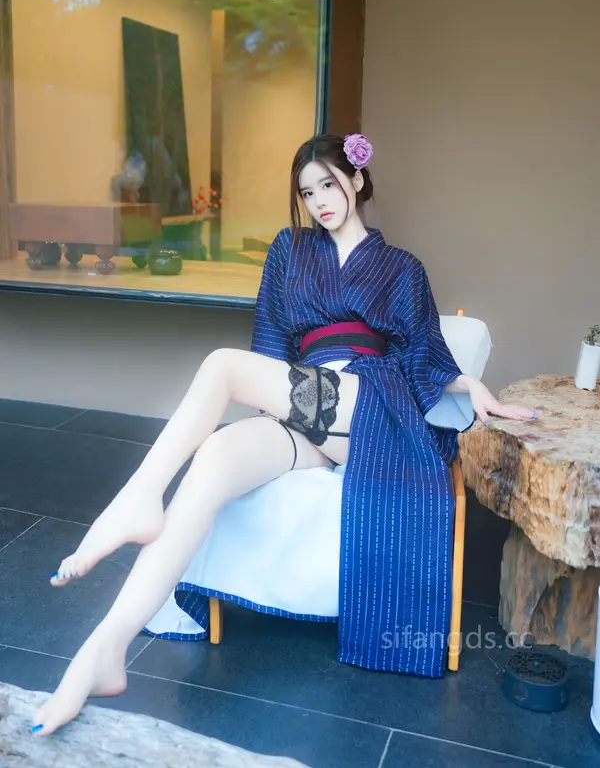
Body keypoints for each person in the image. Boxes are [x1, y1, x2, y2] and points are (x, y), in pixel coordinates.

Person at [31, 133, 536, 736]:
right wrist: (271, 409)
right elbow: (270, 348)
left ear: (357, 180)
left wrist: (469, 384)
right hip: (306, 408)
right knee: (216, 455)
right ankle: (106, 647)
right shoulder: (289, 250)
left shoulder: (403, 268)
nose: (319, 201)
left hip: (371, 402)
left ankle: (137, 499)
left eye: (329, 184)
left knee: (222, 366)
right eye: (307, 192)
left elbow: (425, 356)